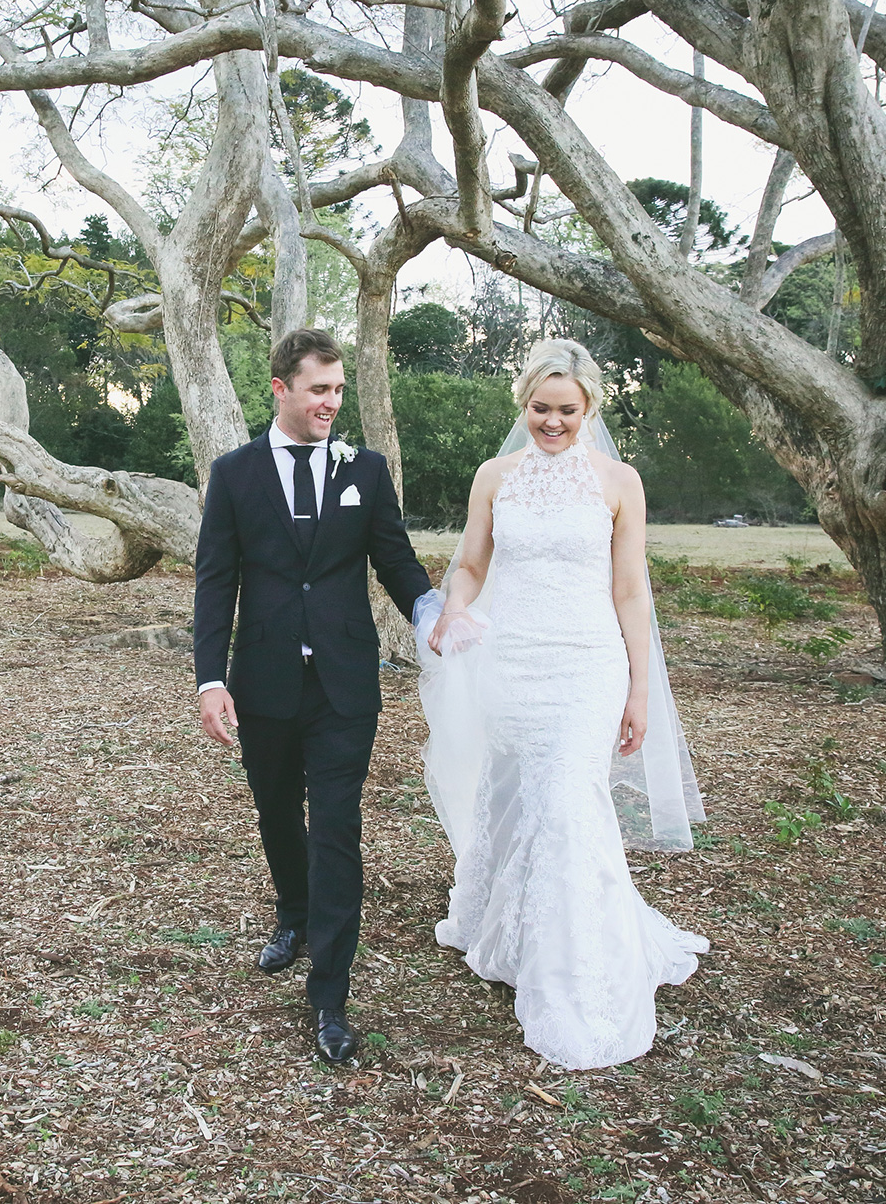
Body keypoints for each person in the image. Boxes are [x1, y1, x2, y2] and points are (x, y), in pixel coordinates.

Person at [423, 338, 708, 1070]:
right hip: (512, 662)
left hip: (588, 665)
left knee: (568, 802)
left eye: (567, 411)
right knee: (518, 794)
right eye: (541, 409)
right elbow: (471, 565)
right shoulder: (495, 476)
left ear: (590, 409)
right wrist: (454, 610)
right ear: (524, 404)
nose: (553, 422)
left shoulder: (620, 483)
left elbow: (630, 590)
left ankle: (577, 977)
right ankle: (510, 927)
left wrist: (639, 688)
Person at [193, 328, 435, 1064]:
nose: (332, 402)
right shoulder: (234, 474)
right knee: (275, 809)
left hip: (343, 682)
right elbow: (216, 580)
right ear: (282, 390)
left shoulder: (366, 467)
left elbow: (392, 553)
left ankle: (329, 995)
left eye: (337, 389)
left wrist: (432, 615)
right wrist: (210, 679)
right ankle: (292, 914)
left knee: (336, 826)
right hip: (263, 678)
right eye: (319, 389)